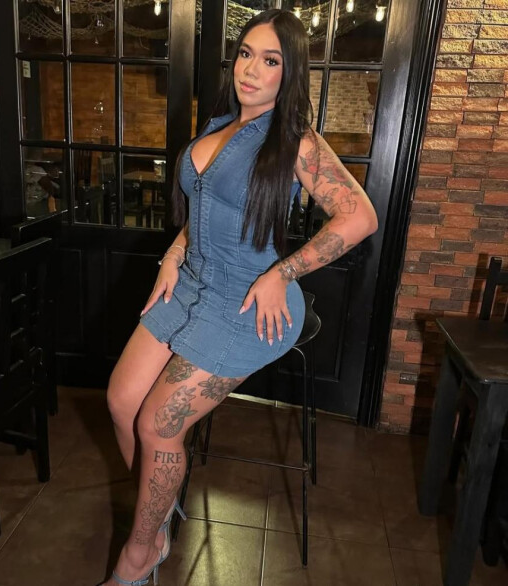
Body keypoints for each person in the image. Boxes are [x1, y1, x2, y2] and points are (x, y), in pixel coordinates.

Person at [104, 8, 378, 585]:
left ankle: (140, 553)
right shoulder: (220, 125)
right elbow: (204, 209)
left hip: (248, 304)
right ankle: (157, 512)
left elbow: (359, 217)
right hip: (191, 285)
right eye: (246, 54)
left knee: (157, 426)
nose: (251, 70)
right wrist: (172, 255)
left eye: (270, 60)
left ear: (290, 71)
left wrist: (284, 272)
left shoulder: (294, 140)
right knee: (122, 400)